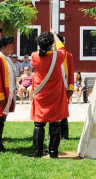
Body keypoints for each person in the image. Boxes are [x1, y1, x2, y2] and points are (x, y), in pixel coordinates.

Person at [31, 30, 68, 158]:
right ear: (52, 43)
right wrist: (54, 35)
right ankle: (53, 152)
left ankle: (37, 152)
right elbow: (62, 47)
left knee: (38, 124)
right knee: (55, 124)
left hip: (41, 94)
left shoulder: (34, 56)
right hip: (55, 94)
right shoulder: (58, 56)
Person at [57, 33, 74, 140]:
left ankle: (64, 134)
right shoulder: (51, 55)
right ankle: (53, 133)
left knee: (63, 110)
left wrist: (71, 88)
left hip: (64, 86)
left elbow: (71, 72)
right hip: (54, 87)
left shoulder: (68, 55)